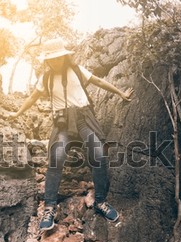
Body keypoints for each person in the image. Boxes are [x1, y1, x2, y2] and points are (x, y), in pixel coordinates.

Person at [8, 38, 134, 231]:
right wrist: (17, 113)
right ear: (47, 60)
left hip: (83, 118)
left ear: (65, 57)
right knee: (56, 157)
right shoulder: (46, 77)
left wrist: (120, 93)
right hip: (63, 122)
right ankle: (50, 207)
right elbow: (34, 97)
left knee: (98, 155)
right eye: (52, 59)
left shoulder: (76, 70)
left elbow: (98, 81)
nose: (55, 61)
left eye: (58, 57)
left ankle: (100, 202)